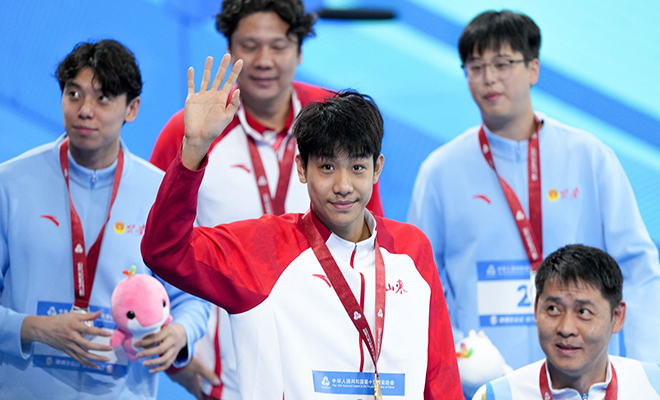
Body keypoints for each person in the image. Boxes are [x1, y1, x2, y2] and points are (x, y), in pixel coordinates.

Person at [141, 55, 463, 399]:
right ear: (302, 168)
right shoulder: (261, 250)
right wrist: (194, 149)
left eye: (357, 167)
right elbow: (165, 251)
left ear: (377, 168)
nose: (343, 185)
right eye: (327, 167)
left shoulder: (411, 249)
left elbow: (440, 377)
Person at [408, 9, 660, 395]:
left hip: (586, 383)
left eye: (502, 63)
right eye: (475, 67)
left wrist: (647, 373)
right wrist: (458, 356)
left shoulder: (589, 157)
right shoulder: (439, 171)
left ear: (533, 68)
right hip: (485, 386)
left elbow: (638, 269)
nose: (489, 78)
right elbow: (420, 284)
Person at [150, 1, 384, 398]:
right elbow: (154, 243)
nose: (263, 60)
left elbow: (372, 244)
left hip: (329, 367)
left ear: (299, 51)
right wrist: (179, 356)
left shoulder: (333, 122)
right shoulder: (191, 132)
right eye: (249, 45)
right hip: (225, 375)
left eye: (278, 46)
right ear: (229, 48)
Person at [0, 40, 209, 399]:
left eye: (103, 98)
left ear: (132, 109)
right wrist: (33, 328)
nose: (85, 110)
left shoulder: (162, 192)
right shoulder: (10, 184)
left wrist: (180, 333)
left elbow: (193, 297)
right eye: (74, 94)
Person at [473, 244, 660, 399]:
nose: (566, 328)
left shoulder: (653, 386)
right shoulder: (497, 395)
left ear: (617, 316)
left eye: (583, 312)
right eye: (553, 309)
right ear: (536, 309)